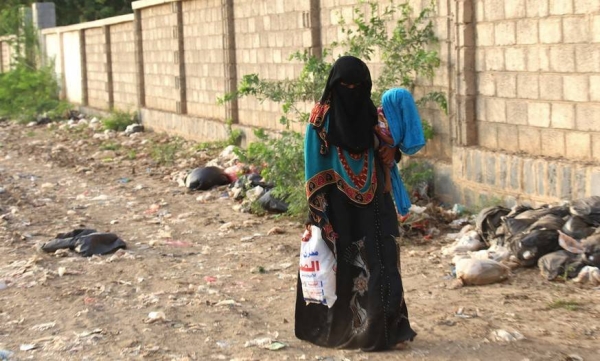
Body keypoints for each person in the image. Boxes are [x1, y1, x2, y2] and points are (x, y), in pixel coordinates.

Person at [295, 56, 423, 351]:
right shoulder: (320, 119)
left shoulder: (371, 114)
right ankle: (341, 331)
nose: (351, 90)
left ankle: (387, 331)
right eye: (345, 85)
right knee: (342, 270)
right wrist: (318, 214)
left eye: (357, 85)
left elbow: (387, 147)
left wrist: (392, 155)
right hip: (337, 207)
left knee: (384, 263)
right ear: (334, 85)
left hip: (376, 201)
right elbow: (313, 164)